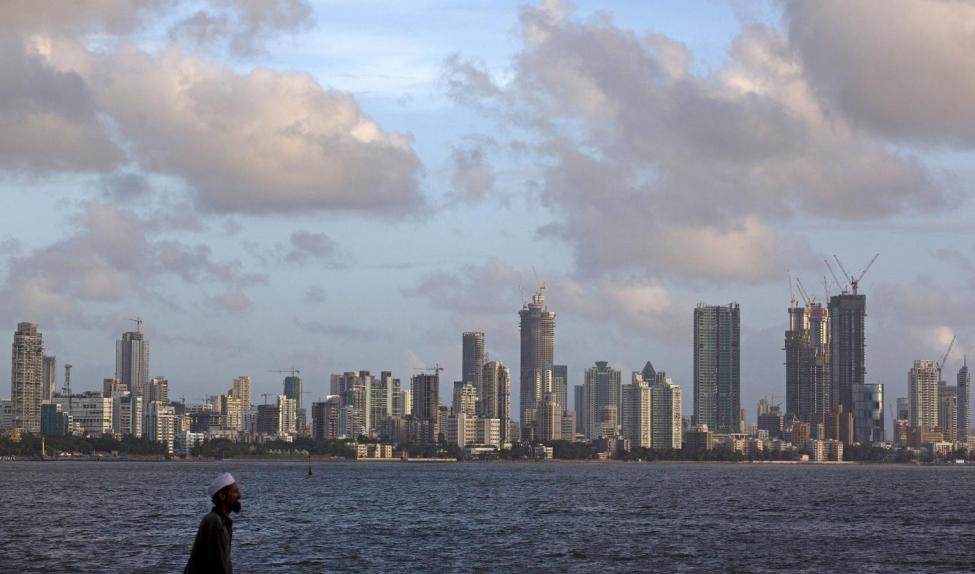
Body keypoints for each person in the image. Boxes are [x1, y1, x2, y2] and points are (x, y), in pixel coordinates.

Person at [184, 472, 241, 574]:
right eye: (235, 491)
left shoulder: (219, 521)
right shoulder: (214, 522)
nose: (239, 496)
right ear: (222, 495)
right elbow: (219, 566)